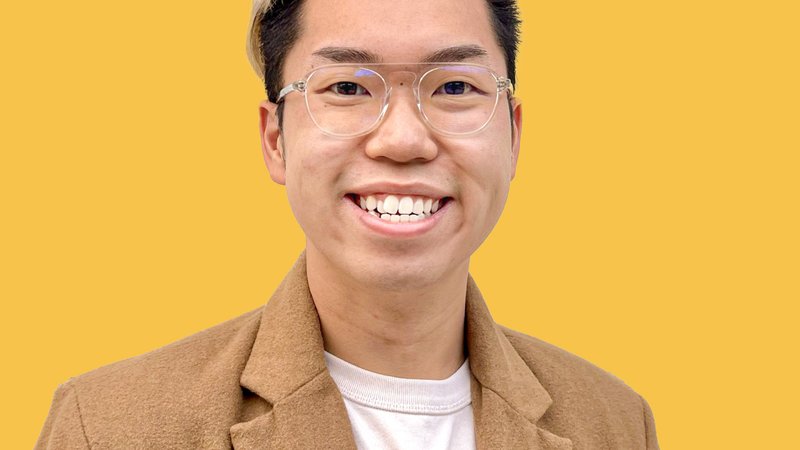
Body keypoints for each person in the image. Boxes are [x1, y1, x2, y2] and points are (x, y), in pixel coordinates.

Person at [36, 0, 659, 448]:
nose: (404, 139)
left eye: (455, 87)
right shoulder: (112, 426)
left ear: (514, 136)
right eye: (348, 88)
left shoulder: (614, 423)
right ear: (276, 138)